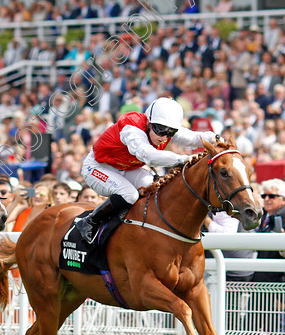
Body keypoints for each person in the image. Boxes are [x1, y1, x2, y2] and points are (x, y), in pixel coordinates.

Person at [77, 97, 216, 244]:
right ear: (149, 122)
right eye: (160, 129)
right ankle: (89, 222)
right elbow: (148, 155)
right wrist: (183, 159)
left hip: (125, 168)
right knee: (129, 195)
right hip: (98, 167)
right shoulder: (131, 127)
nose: (163, 136)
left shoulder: (163, 127)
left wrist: (216, 139)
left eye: (170, 131)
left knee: (155, 186)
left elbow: (194, 138)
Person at [253, 179, 285, 283]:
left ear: (283, 199)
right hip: (262, 277)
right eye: (264, 196)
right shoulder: (263, 216)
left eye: (272, 196)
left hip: (277, 282)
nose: (266, 199)